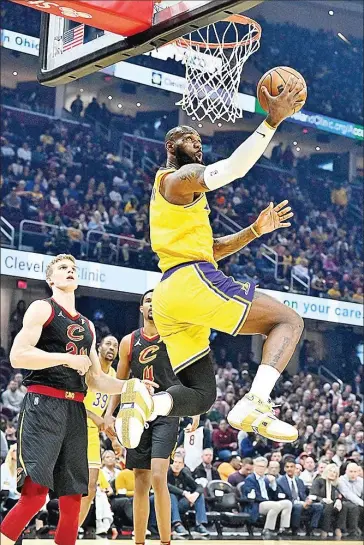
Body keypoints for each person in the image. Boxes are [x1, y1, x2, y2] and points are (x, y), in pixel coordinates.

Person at [118, 77, 305, 447]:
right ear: (171, 146)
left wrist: (253, 231)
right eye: (191, 140)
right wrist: (272, 122)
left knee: (202, 394)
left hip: (171, 293)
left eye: (200, 142)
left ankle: (148, 404)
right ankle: (256, 402)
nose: (198, 146)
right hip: (191, 282)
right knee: (289, 320)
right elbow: (232, 170)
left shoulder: (178, 198)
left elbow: (210, 249)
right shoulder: (177, 178)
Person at [0, 254, 136, 545]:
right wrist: (65, 358)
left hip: (76, 409)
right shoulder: (41, 308)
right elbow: (17, 355)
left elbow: (96, 380)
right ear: (51, 279)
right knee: (34, 497)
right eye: (63, 268)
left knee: (73, 500)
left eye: (73, 269)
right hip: (43, 404)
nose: (70, 271)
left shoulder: (88, 325)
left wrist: (131, 387)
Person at [105, 290, 195, 545]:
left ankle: (166, 540)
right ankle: (139, 541)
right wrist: (110, 414)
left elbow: (190, 378)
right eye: (148, 302)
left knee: (158, 475)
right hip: (136, 412)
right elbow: (119, 382)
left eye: (158, 302)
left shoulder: (175, 338)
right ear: (141, 309)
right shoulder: (128, 342)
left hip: (167, 411)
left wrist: (196, 409)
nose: (153, 305)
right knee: (141, 480)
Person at [78, 335, 122, 529]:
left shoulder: (113, 375)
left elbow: (106, 418)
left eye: (115, 345)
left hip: (93, 434)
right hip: (74, 427)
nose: (111, 348)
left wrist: (114, 440)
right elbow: (72, 400)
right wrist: (95, 417)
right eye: (108, 344)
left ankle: (72, 533)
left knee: (90, 488)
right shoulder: (88, 368)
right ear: (99, 347)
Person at [158, 452, 209, 537]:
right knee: (172, 495)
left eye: (180, 463)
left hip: (179, 505)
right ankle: (177, 524)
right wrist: (184, 493)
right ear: (170, 464)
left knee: (199, 495)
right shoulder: (166, 472)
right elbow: (166, 486)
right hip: (164, 505)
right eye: (175, 462)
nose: (177, 465)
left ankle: (199, 524)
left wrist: (195, 495)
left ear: (183, 465)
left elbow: (198, 486)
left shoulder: (185, 473)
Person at [242, 457, 292, 538]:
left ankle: (284, 528)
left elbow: (275, 495)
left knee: (287, 503)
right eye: (259, 466)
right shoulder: (250, 479)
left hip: (268, 502)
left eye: (263, 467)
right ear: (254, 467)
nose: (261, 469)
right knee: (275, 505)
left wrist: (273, 484)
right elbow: (254, 496)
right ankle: (268, 529)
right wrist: (268, 501)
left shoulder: (266, 479)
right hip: (256, 504)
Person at [277, 459, 323, 535]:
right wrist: (301, 504)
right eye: (287, 467)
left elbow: (303, 495)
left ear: (295, 468)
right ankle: (295, 529)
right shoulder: (280, 481)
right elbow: (281, 498)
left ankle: (311, 528)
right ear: (284, 469)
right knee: (298, 506)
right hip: (289, 504)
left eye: (292, 467)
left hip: (302, 502)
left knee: (319, 506)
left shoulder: (299, 481)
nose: (289, 469)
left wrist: (307, 501)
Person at [311, 464, 348, 538]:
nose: (332, 473)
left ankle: (338, 528)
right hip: (320, 503)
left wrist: (338, 500)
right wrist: (323, 499)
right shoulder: (318, 480)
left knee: (343, 506)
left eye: (334, 472)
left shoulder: (335, 484)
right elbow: (312, 495)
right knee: (329, 505)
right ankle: (325, 530)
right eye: (330, 471)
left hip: (331, 503)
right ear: (326, 471)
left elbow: (340, 495)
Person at [338, 462, 363, 536]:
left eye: (355, 472)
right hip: (344, 500)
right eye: (351, 471)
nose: (353, 474)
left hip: (358, 501)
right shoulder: (341, 480)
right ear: (346, 471)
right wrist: (362, 503)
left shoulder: (361, 481)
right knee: (353, 507)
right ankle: (353, 531)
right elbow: (348, 495)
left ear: (358, 472)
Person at [1, 444, 21, 514]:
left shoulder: (24, 468)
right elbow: (3, 485)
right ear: (11, 453)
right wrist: (14, 491)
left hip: (21, 496)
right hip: (9, 497)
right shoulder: (5, 467)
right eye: (15, 450)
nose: (17, 452)